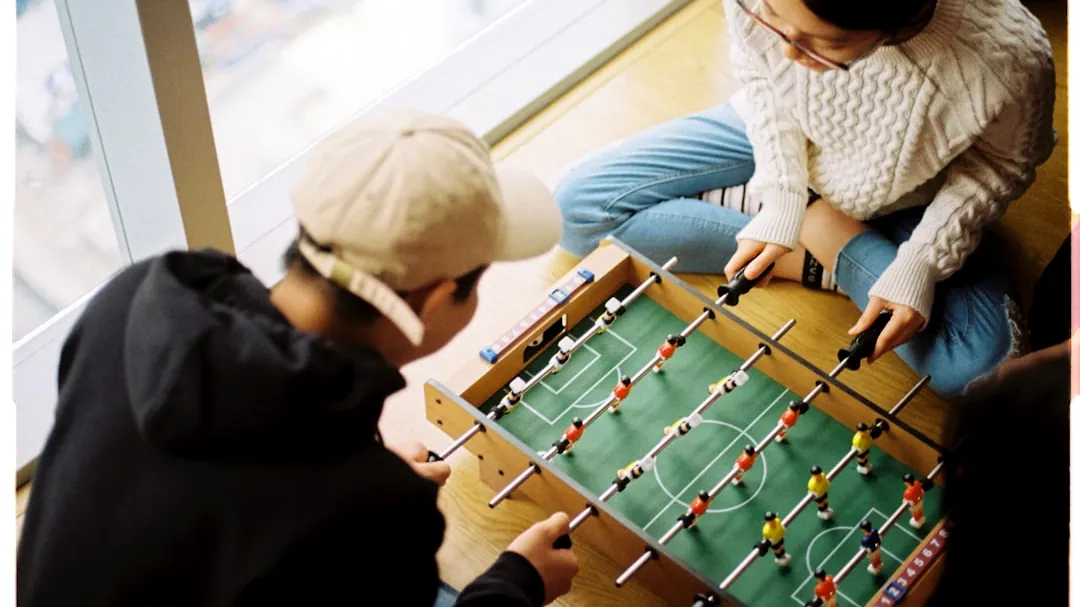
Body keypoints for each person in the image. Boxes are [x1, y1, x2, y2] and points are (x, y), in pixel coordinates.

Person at [15, 109, 578, 607]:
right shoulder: (376, 514)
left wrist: (354, 481)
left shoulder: (132, 299)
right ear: (433, 301)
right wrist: (516, 583)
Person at [553, 0, 1058, 397]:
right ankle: (830, 250)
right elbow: (764, 78)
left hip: (917, 194)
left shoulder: (1007, 60)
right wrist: (784, 196)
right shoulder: (774, 34)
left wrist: (922, 264)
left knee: (982, 371)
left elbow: (1001, 165)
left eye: (825, 45)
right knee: (575, 210)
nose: (791, 54)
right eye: (773, 17)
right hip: (777, 132)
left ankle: (827, 238)